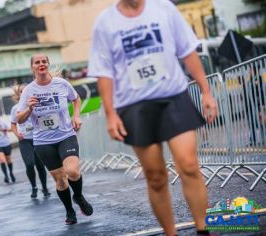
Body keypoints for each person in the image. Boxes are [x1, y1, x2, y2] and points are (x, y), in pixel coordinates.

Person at [88, 0, 217, 235]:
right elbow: (104, 72)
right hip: (134, 105)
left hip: (173, 97)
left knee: (188, 164)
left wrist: (206, 91)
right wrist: (110, 114)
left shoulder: (164, 8)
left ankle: (203, 229)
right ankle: (170, 232)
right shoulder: (105, 23)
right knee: (155, 176)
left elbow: (188, 50)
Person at [16, 54, 93, 225]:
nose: (41, 64)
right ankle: (69, 211)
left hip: (66, 135)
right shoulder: (29, 90)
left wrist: (76, 116)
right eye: (37, 62)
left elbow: (76, 99)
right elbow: (19, 119)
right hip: (43, 142)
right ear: (32, 67)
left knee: (72, 171)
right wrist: (29, 108)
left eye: (44, 61)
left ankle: (78, 197)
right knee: (60, 179)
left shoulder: (62, 84)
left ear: (48, 64)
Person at [11, 84, 51, 198]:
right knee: (29, 164)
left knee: (40, 164)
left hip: (38, 138)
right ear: (18, 94)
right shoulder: (16, 108)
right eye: (21, 92)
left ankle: (44, 187)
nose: (23, 93)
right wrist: (16, 133)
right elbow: (13, 124)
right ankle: (34, 187)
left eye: (25, 91)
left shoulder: (37, 104)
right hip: (25, 140)